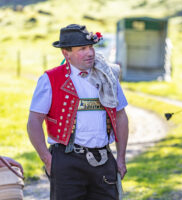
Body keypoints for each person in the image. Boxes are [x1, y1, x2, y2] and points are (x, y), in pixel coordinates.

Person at [27, 24, 129, 200]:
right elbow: (34, 121)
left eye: (91, 47)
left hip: (103, 159)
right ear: (66, 54)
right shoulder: (50, 79)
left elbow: (121, 116)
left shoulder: (108, 76)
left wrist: (121, 158)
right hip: (67, 161)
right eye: (82, 49)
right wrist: (47, 159)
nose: (90, 53)